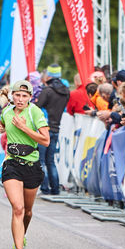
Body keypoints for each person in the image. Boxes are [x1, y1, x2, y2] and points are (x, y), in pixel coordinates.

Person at [0, 79, 49, 249]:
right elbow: (1, 124)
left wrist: (24, 128)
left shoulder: (34, 112)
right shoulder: (7, 112)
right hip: (12, 163)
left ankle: (21, 235)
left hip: (32, 165)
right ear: (13, 96)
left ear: (30, 97)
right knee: (17, 208)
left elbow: (46, 140)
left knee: (27, 211)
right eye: (17, 95)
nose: (20, 99)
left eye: (24, 96)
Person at [35, 64, 70, 195]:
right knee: (51, 160)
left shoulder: (47, 91)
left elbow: (37, 107)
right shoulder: (66, 91)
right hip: (56, 128)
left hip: (45, 128)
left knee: (41, 160)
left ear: (49, 75)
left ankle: (44, 188)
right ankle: (55, 189)